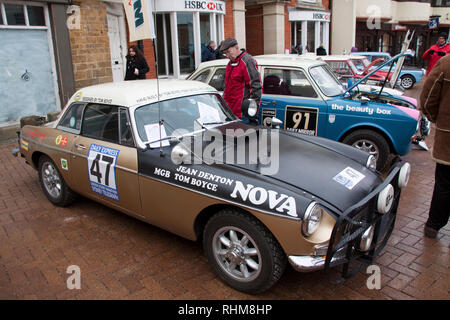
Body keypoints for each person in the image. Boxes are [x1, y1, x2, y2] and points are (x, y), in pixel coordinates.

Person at [419, 53, 450, 238]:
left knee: (445, 184)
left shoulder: (447, 62)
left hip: (448, 139)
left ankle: (433, 225)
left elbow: (428, 98)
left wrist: (437, 120)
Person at [220, 37, 262, 118]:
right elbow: (227, 88)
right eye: (226, 53)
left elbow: (256, 86)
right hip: (230, 112)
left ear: (236, 47)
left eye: (229, 52)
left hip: (242, 113)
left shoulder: (247, 61)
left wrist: (252, 110)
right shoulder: (230, 64)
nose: (228, 56)